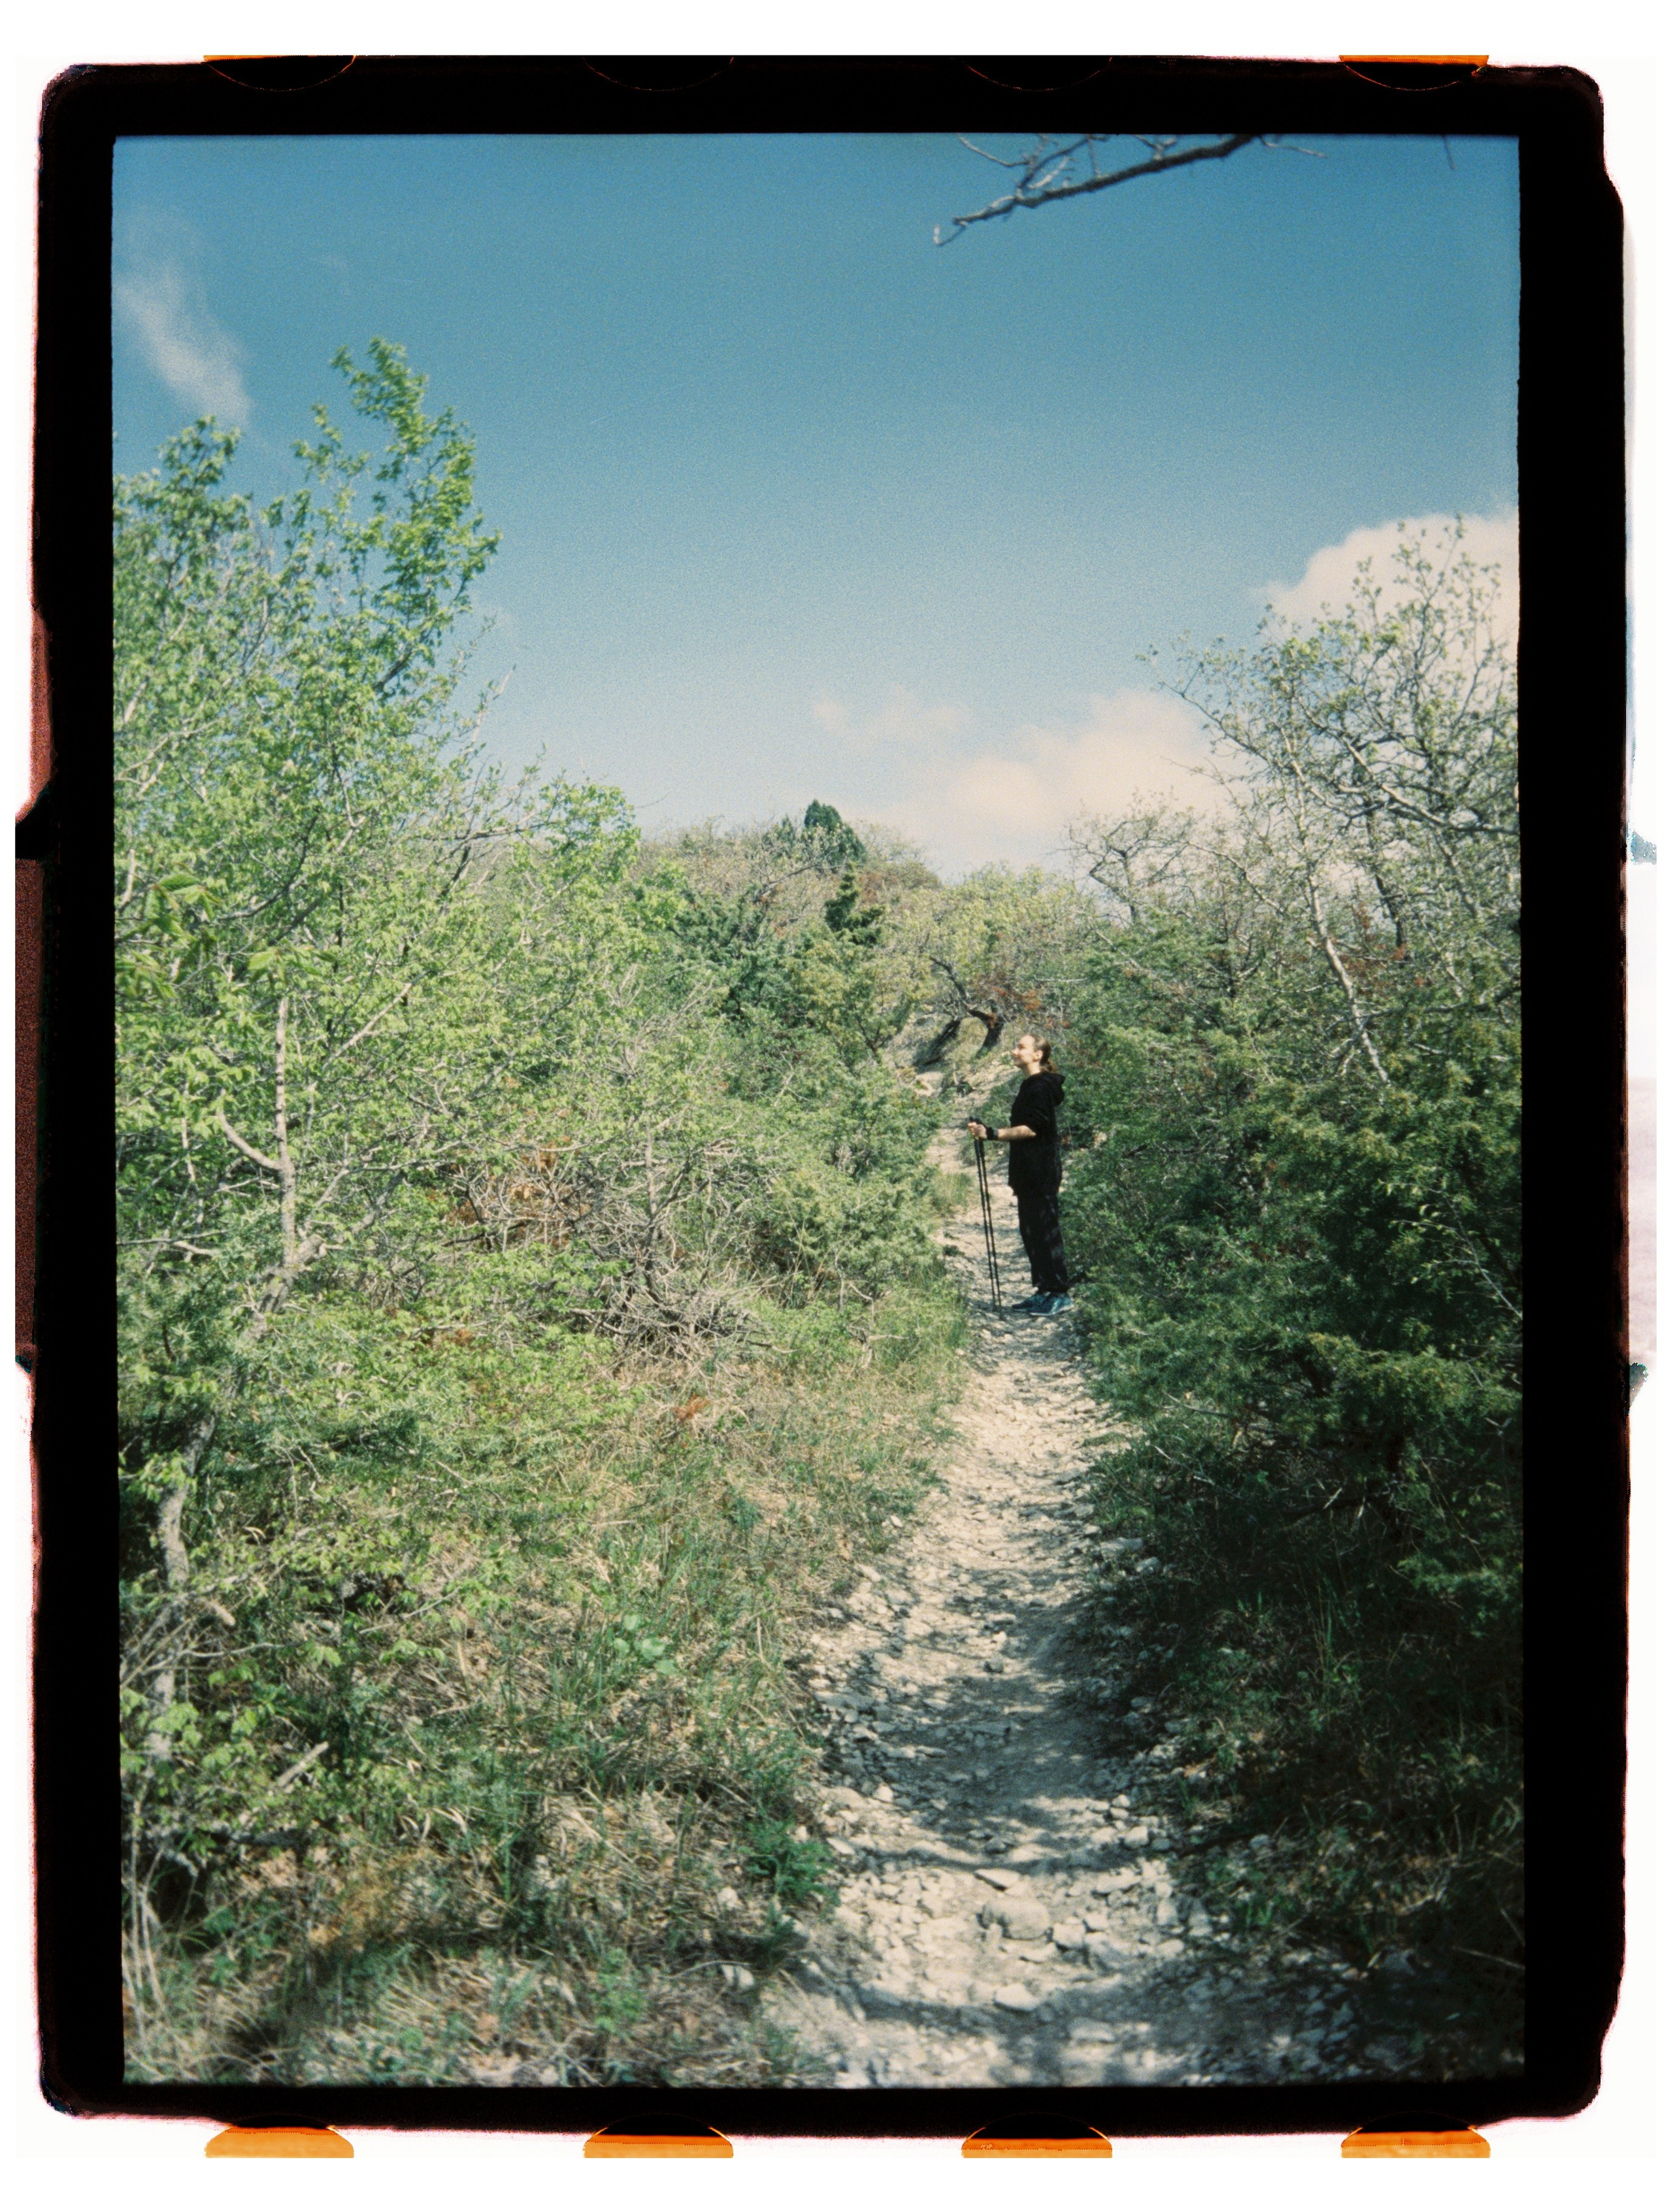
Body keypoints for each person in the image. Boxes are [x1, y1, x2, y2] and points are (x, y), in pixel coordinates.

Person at [969, 1033, 1071, 1315]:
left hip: (1041, 1170)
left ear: (1038, 1055)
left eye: (1021, 1047)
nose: (1014, 1052)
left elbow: (1031, 1129)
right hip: (1030, 1170)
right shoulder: (1032, 1085)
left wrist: (992, 1133)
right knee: (1032, 1231)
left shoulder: (1040, 1087)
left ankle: (1060, 1293)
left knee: (1045, 1230)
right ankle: (1044, 1290)